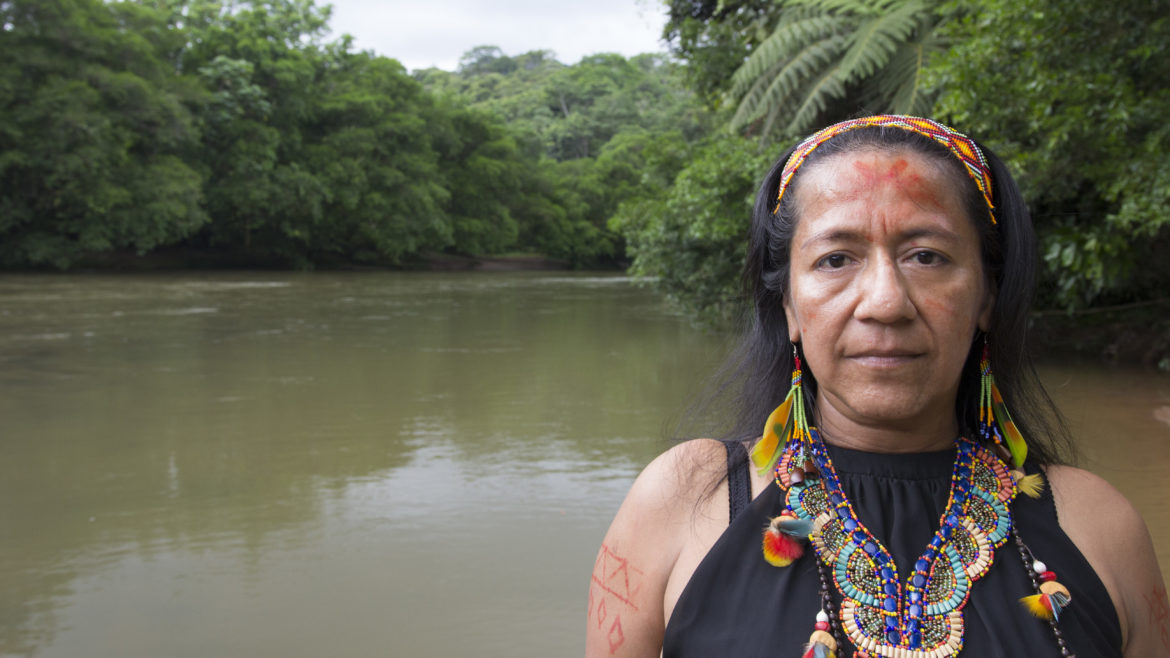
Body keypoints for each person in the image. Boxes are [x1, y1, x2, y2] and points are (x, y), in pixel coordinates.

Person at [585, 116, 1168, 658]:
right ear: (788, 303)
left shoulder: (1098, 524)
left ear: (987, 295)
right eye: (836, 259)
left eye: (927, 256)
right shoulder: (685, 501)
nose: (885, 303)